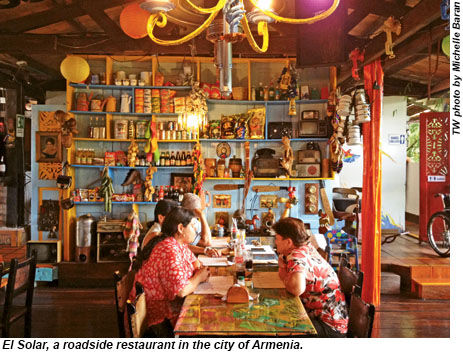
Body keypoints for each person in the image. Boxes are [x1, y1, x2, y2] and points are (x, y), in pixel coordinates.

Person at [130, 207, 210, 337]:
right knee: (206, 324)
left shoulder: (179, 245)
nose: (195, 230)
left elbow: (197, 264)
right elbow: (181, 290)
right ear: (180, 228)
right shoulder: (168, 248)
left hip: (167, 310)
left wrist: (199, 273)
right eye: (192, 225)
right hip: (159, 320)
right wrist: (199, 277)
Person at [272, 217, 348, 337]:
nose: (275, 242)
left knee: (273, 326)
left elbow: (297, 289)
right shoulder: (306, 247)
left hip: (328, 328)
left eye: (277, 238)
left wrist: (282, 270)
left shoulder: (297, 256)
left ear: (288, 242)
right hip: (333, 320)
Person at [181, 192, 225, 257]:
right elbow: (207, 242)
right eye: (199, 209)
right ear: (195, 210)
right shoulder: (185, 224)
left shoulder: (195, 221)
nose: (201, 209)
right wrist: (202, 215)